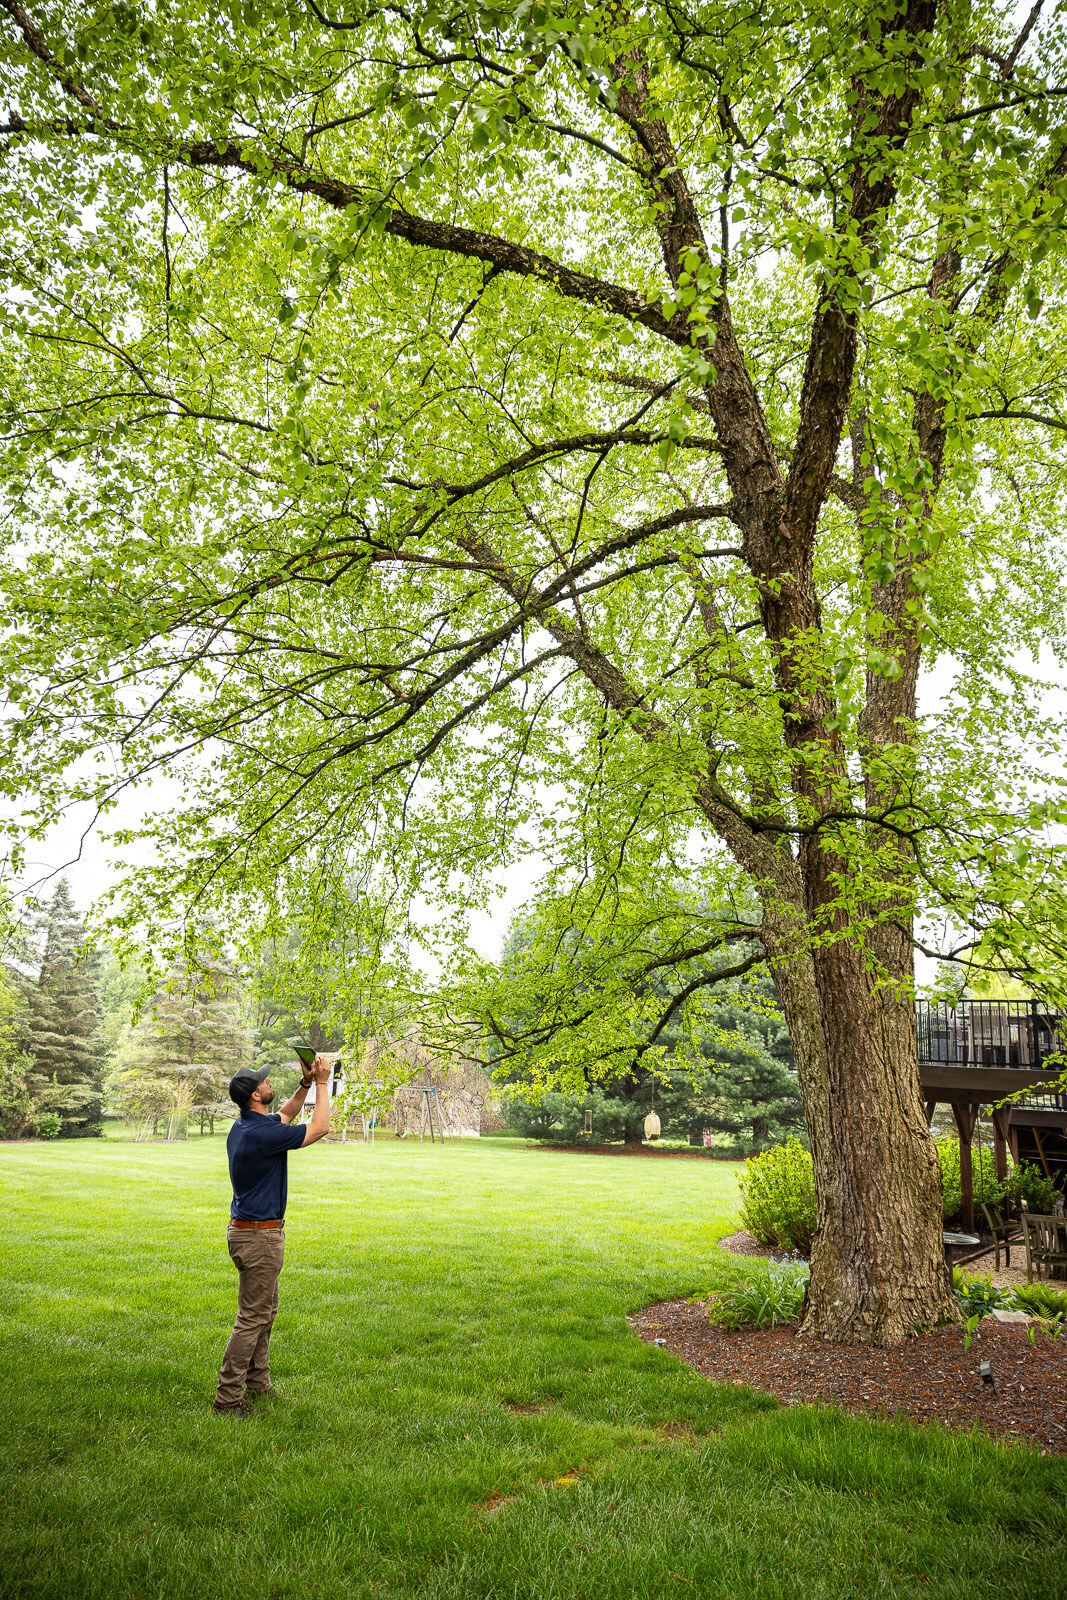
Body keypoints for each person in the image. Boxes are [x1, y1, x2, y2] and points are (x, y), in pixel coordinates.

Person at [213, 1053, 333, 1417]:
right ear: (254, 1096)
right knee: (252, 1317)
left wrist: (306, 1084)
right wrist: (325, 1081)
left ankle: (258, 1382)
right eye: (264, 1083)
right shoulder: (263, 1134)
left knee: (264, 1312)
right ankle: (228, 1397)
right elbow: (320, 1127)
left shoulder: (247, 1127)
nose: (268, 1084)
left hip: (249, 1233)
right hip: (258, 1238)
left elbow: (287, 1115)